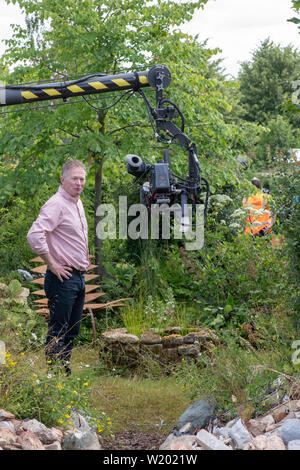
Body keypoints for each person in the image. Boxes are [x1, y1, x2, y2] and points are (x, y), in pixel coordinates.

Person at [27, 159, 90, 376]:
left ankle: (63, 373)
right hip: (62, 278)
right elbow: (35, 235)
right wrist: (51, 264)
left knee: (72, 330)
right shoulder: (56, 204)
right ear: (63, 179)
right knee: (59, 330)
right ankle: (53, 378)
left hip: (78, 278)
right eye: (74, 178)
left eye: (82, 179)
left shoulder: (77, 203)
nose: (79, 183)